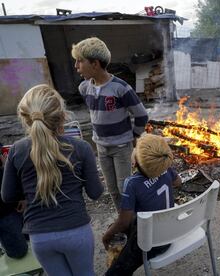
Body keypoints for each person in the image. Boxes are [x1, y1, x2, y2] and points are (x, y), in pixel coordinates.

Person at [1, 85, 104, 275]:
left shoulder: (17, 150)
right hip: (77, 232)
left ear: (26, 118)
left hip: (40, 237)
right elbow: (96, 193)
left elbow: (7, 195)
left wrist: (27, 191)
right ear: (62, 116)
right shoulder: (81, 148)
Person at [71, 37, 149, 211]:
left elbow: (142, 115)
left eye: (80, 61)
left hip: (121, 148)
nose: (76, 66)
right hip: (101, 148)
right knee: (112, 190)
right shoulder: (85, 88)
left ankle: (134, 222)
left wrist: (134, 136)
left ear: (95, 64)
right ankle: (122, 221)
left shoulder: (121, 88)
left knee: (125, 189)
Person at [102, 134, 181, 276]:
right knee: (122, 228)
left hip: (151, 243)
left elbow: (124, 222)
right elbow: (177, 182)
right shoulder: (165, 168)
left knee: (116, 270)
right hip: (170, 232)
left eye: (135, 149)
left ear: (136, 162)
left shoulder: (132, 183)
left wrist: (107, 235)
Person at [0, 143, 28, 259]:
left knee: (28, 242)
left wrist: (21, 197)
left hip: (13, 206)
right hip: (4, 214)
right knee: (19, 253)